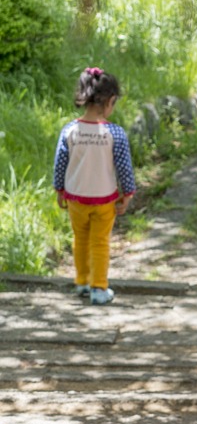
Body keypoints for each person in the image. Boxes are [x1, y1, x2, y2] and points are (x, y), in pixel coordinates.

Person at [53, 67, 136, 306]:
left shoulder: (70, 130)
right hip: (104, 200)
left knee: (80, 238)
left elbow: (60, 164)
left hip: (76, 198)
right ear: (110, 101)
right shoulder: (115, 134)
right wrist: (127, 194)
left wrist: (59, 190)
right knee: (100, 242)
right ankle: (99, 288)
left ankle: (82, 282)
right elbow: (124, 168)